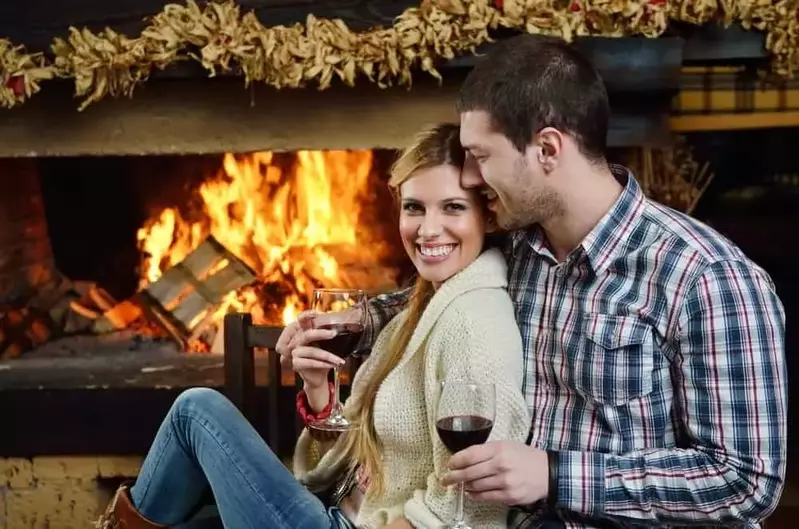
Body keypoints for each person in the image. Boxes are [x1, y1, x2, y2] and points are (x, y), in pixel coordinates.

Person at [277, 35, 788, 528]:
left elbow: (747, 481)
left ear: (546, 149)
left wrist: (555, 475)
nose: (471, 178)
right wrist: (346, 323)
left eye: (480, 155)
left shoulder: (708, 279)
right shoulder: (518, 247)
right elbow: (436, 295)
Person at [95, 123, 531, 529]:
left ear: (487, 218)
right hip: (333, 509)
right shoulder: (427, 301)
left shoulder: (475, 324)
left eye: (453, 208)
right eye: (414, 207)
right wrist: (320, 391)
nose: (427, 229)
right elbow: (352, 460)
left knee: (196, 413)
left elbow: (468, 505)